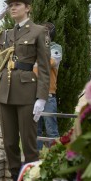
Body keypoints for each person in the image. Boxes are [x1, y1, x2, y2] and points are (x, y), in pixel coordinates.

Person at [0, 0, 50, 181]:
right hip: (5, 92)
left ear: (28, 8)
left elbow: (44, 66)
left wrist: (41, 97)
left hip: (26, 92)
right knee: (9, 143)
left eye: (17, 4)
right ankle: (17, 178)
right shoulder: (6, 34)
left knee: (29, 143)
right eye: (10, 5)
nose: (13, 8)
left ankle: (32, 179)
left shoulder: (39, 31)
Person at [35, 22, 62, 150]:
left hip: (48, 95)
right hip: (33, 94)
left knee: (52, 131)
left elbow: (49, 63)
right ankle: (36, 159)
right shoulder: (35, 49)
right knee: (35, 130)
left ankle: (54, 160)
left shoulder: (56, 48)